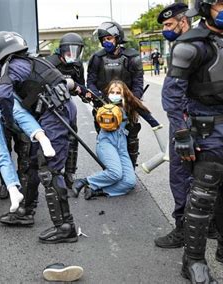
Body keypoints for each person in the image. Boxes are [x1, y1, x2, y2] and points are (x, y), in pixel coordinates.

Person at [0, 31, 78, 243]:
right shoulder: (34, 61)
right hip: (59, 113)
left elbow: (3, 95)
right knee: (31, 163)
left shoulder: (11, 66)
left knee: (49, 169)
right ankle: (25, 212)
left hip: (54, 117)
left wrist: (9, 121)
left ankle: (66, 227)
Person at [164, 0, 223, 282]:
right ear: (205, 7)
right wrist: (182, 133)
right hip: (207, 127)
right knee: (203, 195)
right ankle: (193, 261)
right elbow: (171, 96)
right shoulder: (190, 45)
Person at [0, 63, 56, 213]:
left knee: (20, 115)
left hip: (0, 97)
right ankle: (12, 189)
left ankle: (42, 138)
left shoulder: (1, 78)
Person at [74, 80, 159, 199]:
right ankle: (85, 181)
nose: (115, 94)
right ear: (107, 93)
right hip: (106, 141)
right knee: (115, 173)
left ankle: (97, 191)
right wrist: (72, 84)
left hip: (122, 144)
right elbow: (84, 91)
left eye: (118, 92)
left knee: (130, 182)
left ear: (124, 93)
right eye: (112, 92)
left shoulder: (129, 105)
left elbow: (150, 118)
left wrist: (160, 128)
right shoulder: (101, 102)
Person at [154, 2, 193, 249]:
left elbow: (171, 95)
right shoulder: (188, 44)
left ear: (183, 20)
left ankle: (185, 229)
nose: (166, 29)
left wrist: (180, 130)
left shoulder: (190, 45)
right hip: (191, 120)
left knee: (181, 176)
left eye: (169, 24)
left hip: (190, 120)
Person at [87, 21, 144, 168]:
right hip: (103, 105)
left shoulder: (132, 57)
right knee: (105, 138)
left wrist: (133, 100)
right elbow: (91, 82)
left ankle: (130, 167)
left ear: (117, 38)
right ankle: (110, 168)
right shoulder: (96, 58)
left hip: (127, 105)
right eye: (103, 40)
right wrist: (98, 98)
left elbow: (138, 83)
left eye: (109, 38)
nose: (106, 42)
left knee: (131, 136)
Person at [45, 32, 88, 192]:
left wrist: (85, 94)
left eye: (76, 51)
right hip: (49, 108)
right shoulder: (50, 63)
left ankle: (70, 172)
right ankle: (54, 171)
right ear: (62, 50)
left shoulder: (77, 66)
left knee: (72, 136)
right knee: (54, 139)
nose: (72, 55)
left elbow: (80, 87)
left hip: (68, 105)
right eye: (69, 51)